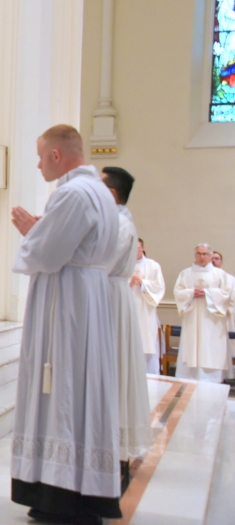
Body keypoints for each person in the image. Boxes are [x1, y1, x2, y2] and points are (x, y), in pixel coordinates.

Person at [10, 124, 121, 525]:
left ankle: (60, 492)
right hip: (86, 295)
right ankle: (82, 487)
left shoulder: (72, 193)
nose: (39, 164)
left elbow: (48, 252)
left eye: (41, 157)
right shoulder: (100, 193)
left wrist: (30, 232)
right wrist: (44, 229)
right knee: (81, 387)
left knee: (62, 387)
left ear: (58, 155)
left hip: (66, 301)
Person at [101, 166, 152, 471]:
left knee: (114, 369)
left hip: (110, 299)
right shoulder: (116, 222)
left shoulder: (119, 225)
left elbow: (98, 263)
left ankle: (115, 447)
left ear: (110, 194)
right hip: (108, 295)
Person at [174, 244, 233, 382]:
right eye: (199, 254)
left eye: (205, 254)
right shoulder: (185, 273)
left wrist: (207, 293)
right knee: (191, 348)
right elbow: (178, 292)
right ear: (195, 255)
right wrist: (191, 293)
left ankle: (212, 380)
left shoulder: (220, 275)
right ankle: (189, 379)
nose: (202, 257)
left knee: (211, 348)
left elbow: (227, 294)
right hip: (192, 318)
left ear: (210, 256)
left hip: (213, 321)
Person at [130, 239, 165, 375]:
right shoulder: (124, 264)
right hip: (129, 308)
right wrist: (129, 282)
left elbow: (159, 287)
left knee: (147, 342)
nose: (135, 250)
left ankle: (149, 375)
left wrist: (143, 284)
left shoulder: (153, 266)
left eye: (138, 247)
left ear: (143, 247)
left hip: (146, 312)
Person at [211, 251, 235, 378]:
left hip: (222, 319)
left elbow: (232, 299)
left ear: (221, 261)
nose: (214, 261)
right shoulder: (205, 278)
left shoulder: (229, 279)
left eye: (217, 258)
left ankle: (223, 376)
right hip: (207, 319)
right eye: (212, 258)